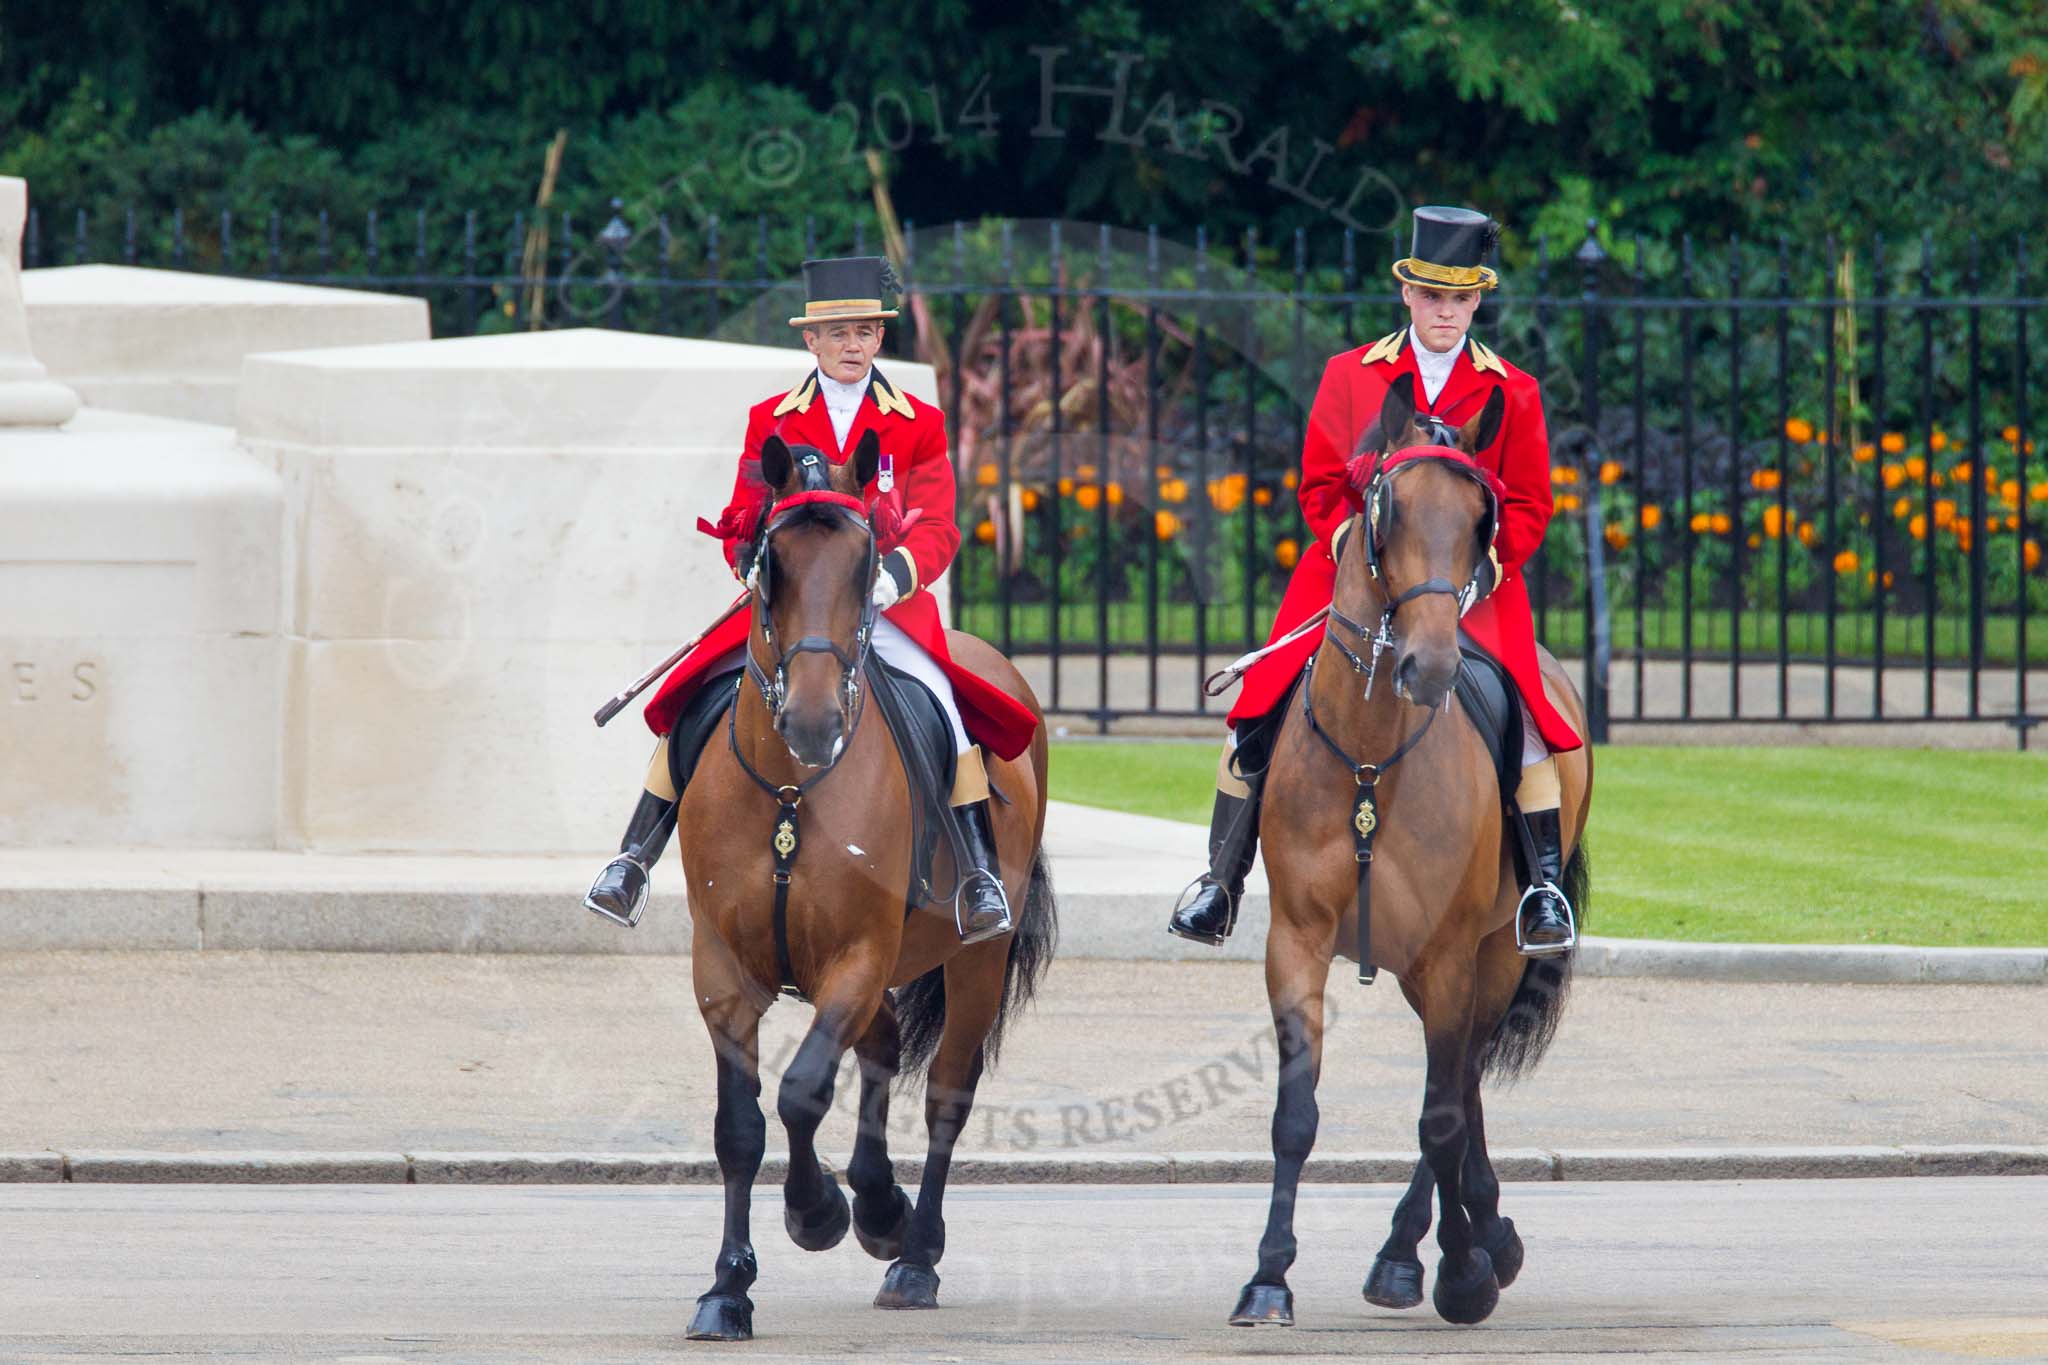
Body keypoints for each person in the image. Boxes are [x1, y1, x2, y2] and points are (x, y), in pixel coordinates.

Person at [1168, 205, 1584, 956]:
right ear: (1408, 295)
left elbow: (1528, 503)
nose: (1445, 313)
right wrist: (1355, 553)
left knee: (1525, 718)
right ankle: (1219, 881)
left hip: (1467, 590)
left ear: (1477, 301)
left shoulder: (1511, 390)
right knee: (1259, 710)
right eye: (1432, 297)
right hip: (1353, 580)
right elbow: (1318, 487)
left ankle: (1544, 887)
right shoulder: (1349, 375)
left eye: (1459, 300)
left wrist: (1478, 576)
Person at [584, 255, 1035, 942]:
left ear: (880, 339)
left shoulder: (917, 421)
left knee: (942, 704)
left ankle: (976, 875)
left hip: (884, 608)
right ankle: (633, 858)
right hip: (791, 606)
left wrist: (895, 576)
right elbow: (742, 515)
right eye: (839, 333)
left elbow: (941, 524)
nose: (854, 345)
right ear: (811, 342)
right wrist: (755, 569)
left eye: (865, 331)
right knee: (694, 696)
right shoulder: (771, 419)